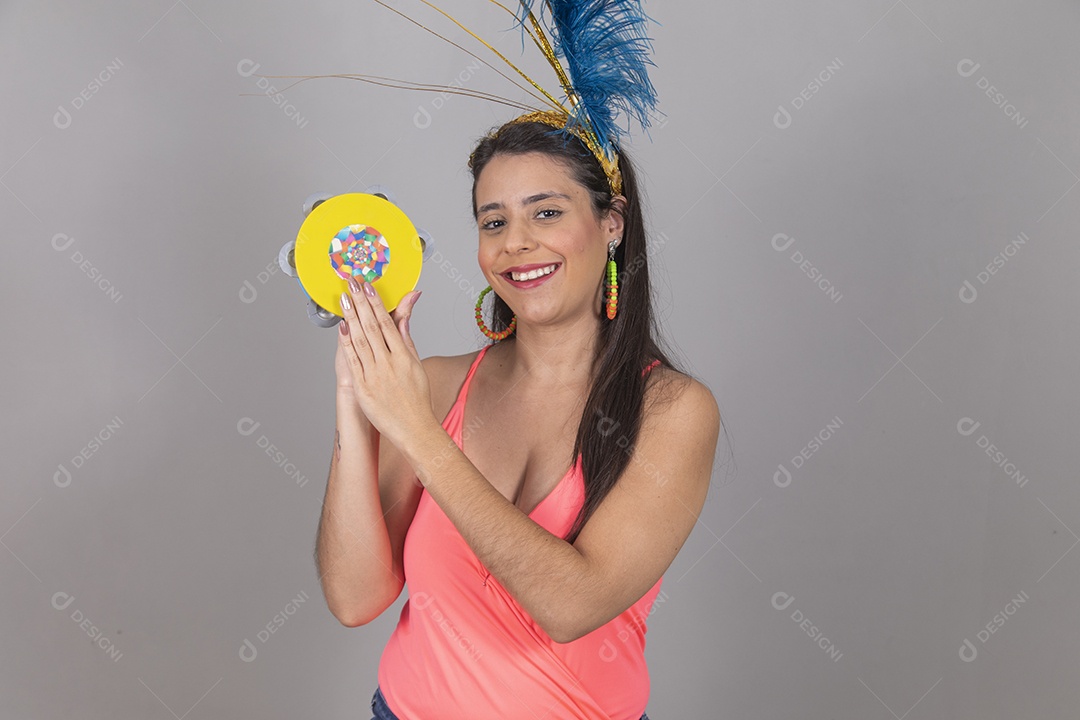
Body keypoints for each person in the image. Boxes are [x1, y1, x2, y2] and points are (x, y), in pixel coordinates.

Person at [314, 116, 721, 720]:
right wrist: (358, 405)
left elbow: (570, 605)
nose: (516, 243)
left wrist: (417, 433)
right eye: (494, 222)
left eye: (547, 212)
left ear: (611, 223)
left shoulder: (672, 410)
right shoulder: (435, 386)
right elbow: (354, 598)